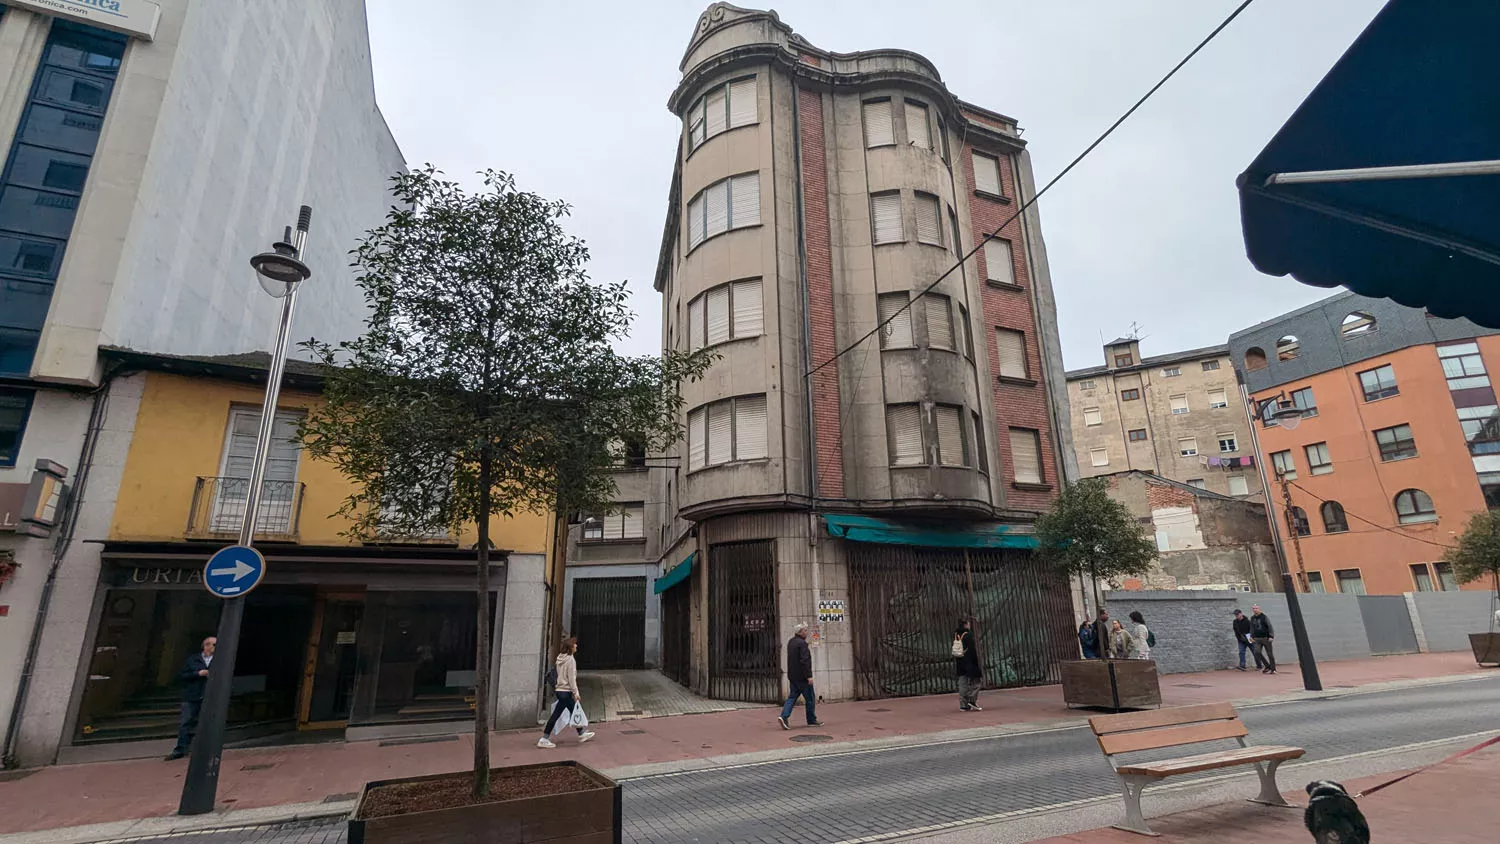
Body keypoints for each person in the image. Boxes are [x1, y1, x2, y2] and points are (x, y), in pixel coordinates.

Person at [538, 638, 596, 748]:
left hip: (560, 690)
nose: (576, 646)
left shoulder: (560, 658)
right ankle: (544, 738)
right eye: (574, 644)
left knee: (573, 710)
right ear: (570, 647)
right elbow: (571, 679)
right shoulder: (570, 660)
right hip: (566, 691)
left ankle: (581, 733)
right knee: (556, 715)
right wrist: (576, 692)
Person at [166, 636, 216, 761]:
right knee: (186, 722)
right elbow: (181, 676)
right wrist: (198, 674)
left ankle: (205, 749)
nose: (216, 647)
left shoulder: (220, 660)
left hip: (209, 695)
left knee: (209, 722)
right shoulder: (193, 660)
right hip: (192, 695)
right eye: (214, 645)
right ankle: (181, 749)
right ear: (206, 646)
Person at [777, 623, 823, 729]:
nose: (807, 632)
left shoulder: (791, 642)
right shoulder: (802, 644)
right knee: (810, 698)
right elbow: (804, 661)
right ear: (800, 632)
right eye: (805, 630)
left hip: (793, 676)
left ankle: (784, 716)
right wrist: (809, 676)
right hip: (802, 677)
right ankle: (811, 720)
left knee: (792, 697)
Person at [954, 619, 984, 712]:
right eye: (968, 623)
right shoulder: (968, 634)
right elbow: (971, 650)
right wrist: (975, 663)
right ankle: (972, 700)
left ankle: (963, 705)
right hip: (969, 661)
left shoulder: (956, 635)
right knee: (977, 681)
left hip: (960, 661)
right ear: (965, 625)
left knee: (963, 683)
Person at [1249, 604, 1277, 675]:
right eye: (1254, 608)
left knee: (1270, 654)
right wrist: (1251, 636)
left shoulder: (1264, 617)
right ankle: (1267, 666)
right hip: (1257, 638)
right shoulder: (1252, 618)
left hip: (1266, 638)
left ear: (1259, 609)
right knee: (1256, 652)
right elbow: (1252, 628)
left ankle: (1273, 669)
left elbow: (1270, 626)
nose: (1255, 609)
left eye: (1256, 608)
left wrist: (1271, 636)